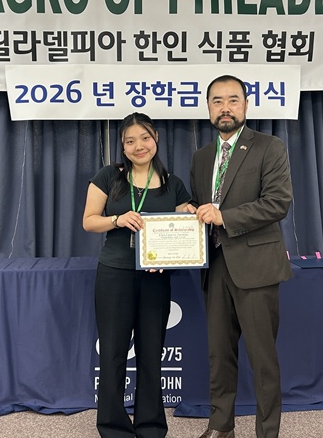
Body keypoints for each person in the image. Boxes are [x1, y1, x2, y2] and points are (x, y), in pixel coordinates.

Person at [190, 74, 293, 438]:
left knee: (262, 359)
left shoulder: (269, 147)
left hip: (256, 267)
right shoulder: (202, 157)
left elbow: (277, 202)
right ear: (208, 108)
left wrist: (224, 217)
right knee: (219, 354)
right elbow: (203, 206)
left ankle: (267, 432)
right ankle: (221, 427)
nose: (225, 108)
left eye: (233, 100)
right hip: (215, 265)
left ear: (246, 105)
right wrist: (189, 211)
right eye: (217, 101)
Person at [83, 112, 195, 438]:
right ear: (123, 146)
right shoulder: (109, 176)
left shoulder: (173, 184)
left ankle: (150, 427)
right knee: (113, 353)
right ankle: (113, 428)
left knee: (151, 354)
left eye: (144, 138)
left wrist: (190, 219)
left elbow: (184, 230)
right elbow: (89, 221)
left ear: (155, 138)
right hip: (115, 275)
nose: (138, 146)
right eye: (130, 141)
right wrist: (116, 220)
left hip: (155, 278)